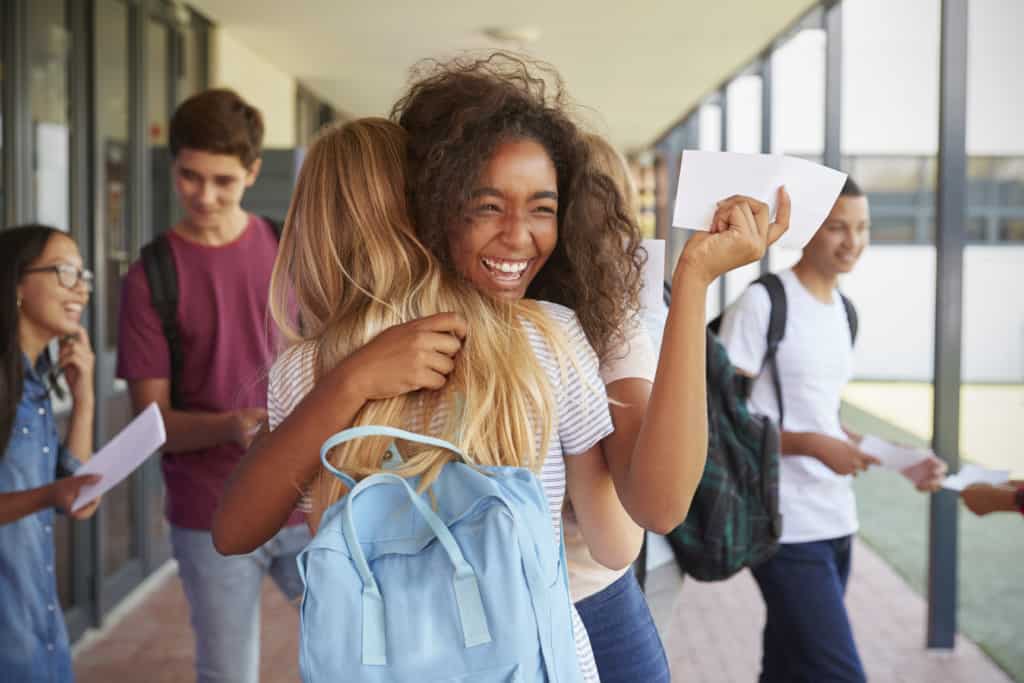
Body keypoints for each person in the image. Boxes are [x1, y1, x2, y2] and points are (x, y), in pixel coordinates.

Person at [391, 53, 785, 682]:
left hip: (585, 607)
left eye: (542, 206)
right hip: (433, 623)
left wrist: (692, 282)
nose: (517, 235)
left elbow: (654, 507)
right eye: (487, 204)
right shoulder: (392, 326)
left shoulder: (588, 319)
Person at [213, 117, 640, 680]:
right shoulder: (545, 336)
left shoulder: (307, 373)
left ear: (311, 230)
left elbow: (233, 533)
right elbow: (616, 545)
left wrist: (351, 384)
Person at [718, 177, 947, 683]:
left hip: (836, 521)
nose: (853, 242)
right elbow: (722, 423)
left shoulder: (844, 313)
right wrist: (809, 446)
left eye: (863, 228)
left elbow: (823, 417)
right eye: (838, 228)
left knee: (788, 664)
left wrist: (897, 458)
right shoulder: (764, 302)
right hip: (783, 524)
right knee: (837, 672)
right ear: (808, 229)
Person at [117, 89, 309, 683]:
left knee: (358, 657)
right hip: (209, 515)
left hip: (306, 500)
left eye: (223, 180)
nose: (204, 195)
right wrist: (232, 425)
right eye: (190, 177)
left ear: (252, 172)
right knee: (228, 674)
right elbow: (153, 425)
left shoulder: (290, 253)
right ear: (172, 167)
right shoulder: (152, 276)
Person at [0, 224, 100, 682]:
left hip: (40, 620)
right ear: (17, 283)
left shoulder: (37, 384)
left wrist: (85, 402)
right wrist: (51, 494)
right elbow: (57, 493)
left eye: (82, 275)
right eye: (63, 272)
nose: (79, 287)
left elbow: (77, 500)